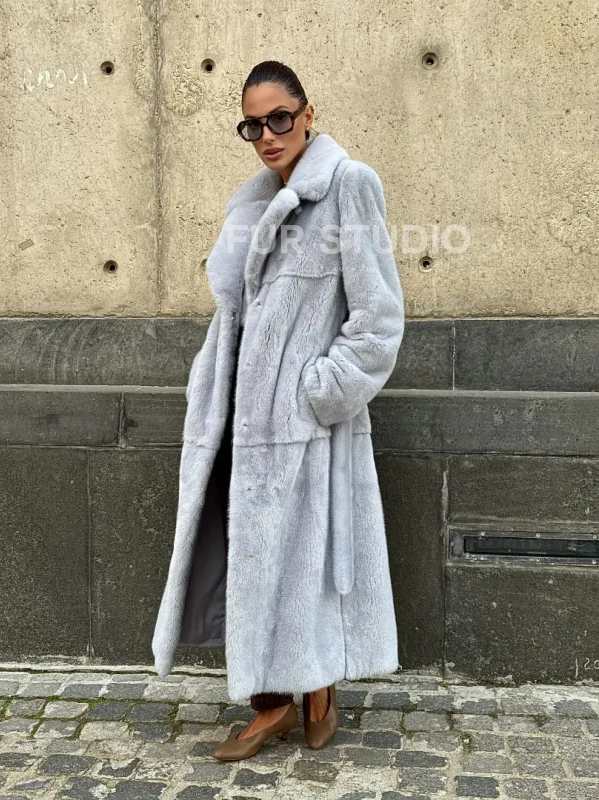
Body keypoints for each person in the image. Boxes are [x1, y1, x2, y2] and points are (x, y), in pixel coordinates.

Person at [152, 60, 405, 762]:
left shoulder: (349, 185)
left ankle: (313, 690)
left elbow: (379, 321)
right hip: (239, 421)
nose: (267, 134)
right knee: (252, 558)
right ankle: (275, 701)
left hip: (304, 426)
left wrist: (317, 392)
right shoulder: (251, 204)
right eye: (253, 125)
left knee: (304, 565)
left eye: (279, 118)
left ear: (307, 114)